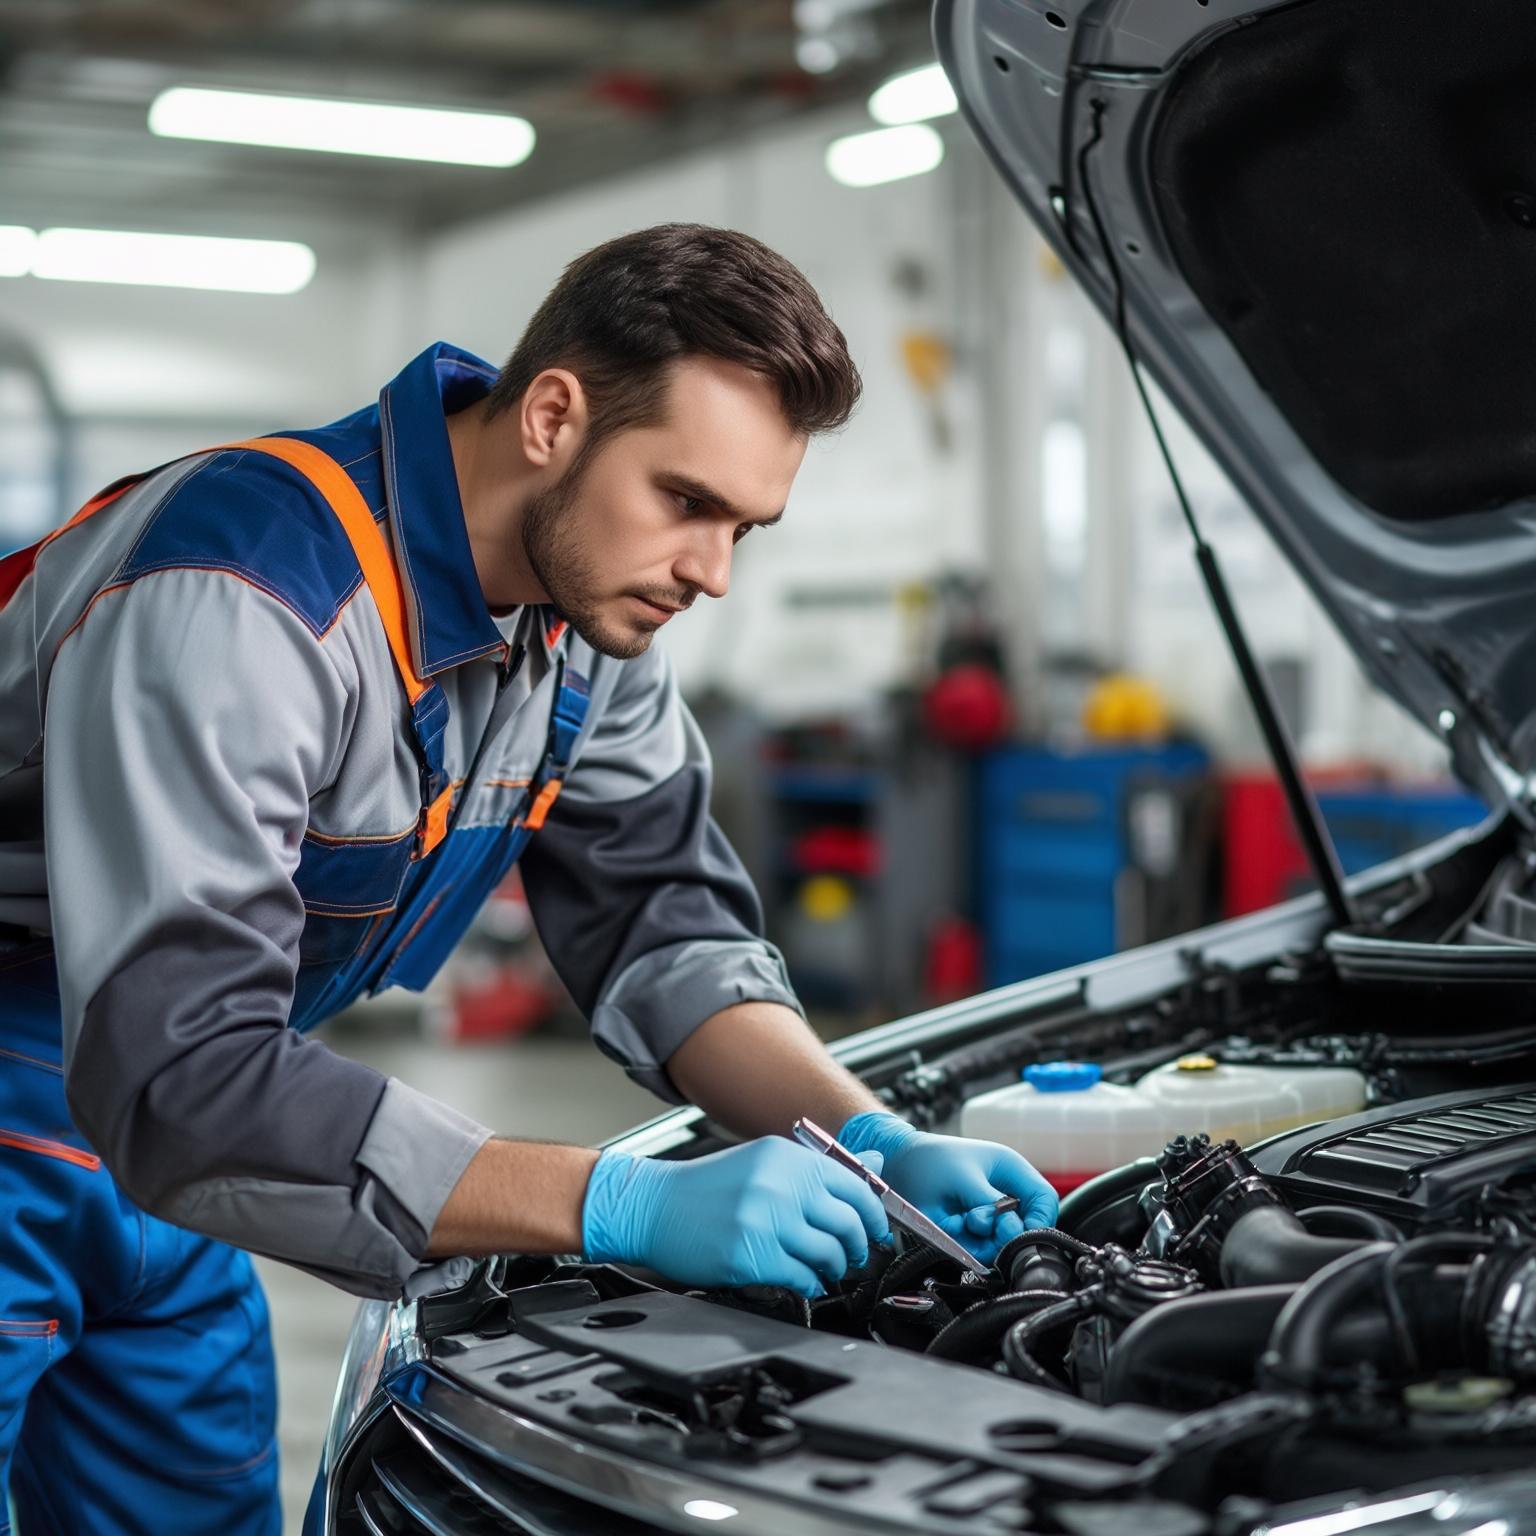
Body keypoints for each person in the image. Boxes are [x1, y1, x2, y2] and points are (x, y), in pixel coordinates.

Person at [0, 223, 1057, 1534]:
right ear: (553, 417)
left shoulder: (589, 624)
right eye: (686, 501)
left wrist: (869, 1137)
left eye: (744, 526)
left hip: (176, 1146)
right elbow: (179, 1072)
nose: (713, 574)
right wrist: (613, 1203)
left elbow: (662, 927)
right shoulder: (249, 590)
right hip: (124, 1079)